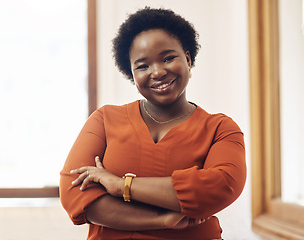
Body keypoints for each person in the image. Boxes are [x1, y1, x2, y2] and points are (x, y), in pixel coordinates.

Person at [60, 7, 246, 240]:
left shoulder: (220, 128)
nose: (157, 72)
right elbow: (74, 194)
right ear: (131, 73)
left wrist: (120, 186)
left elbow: (220, 187)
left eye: (168, 58)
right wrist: (163, 220)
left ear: (187, 59)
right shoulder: (104, 120)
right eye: (142, 66)